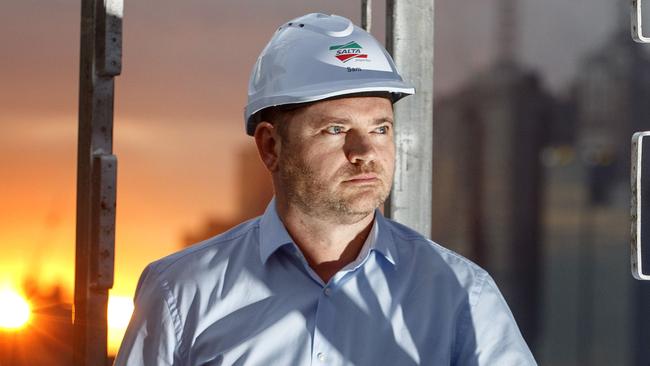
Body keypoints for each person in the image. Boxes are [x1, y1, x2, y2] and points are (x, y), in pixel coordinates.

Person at [114, 13, 536, 366]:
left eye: (380, 128)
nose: (366, 152)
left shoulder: (461, 295)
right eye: (336, 130)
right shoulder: (182, 292)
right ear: (270, 146)